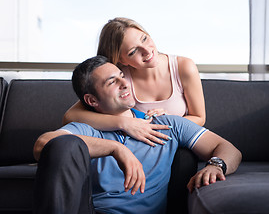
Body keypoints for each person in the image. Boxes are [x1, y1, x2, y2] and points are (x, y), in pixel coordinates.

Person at [33, 56, 242, 214]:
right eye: (111, 82)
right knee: (65, 144)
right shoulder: (88, 129)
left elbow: (229, 149)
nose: (124, 84)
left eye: (122, 76)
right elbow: (44, 144)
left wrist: (216, 165)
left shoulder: (167, 123)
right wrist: (116, 149)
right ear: (92, 101)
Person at [63, 17, 206, 147]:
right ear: (121, 60)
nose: (146, 50)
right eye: (133, 52)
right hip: (136, 147)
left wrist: (167, 122)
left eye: (144, 39)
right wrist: (126, 124)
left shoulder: (184, 67)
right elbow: (70, 117)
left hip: (176, 143)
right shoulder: (119, 78)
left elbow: (199, 117)